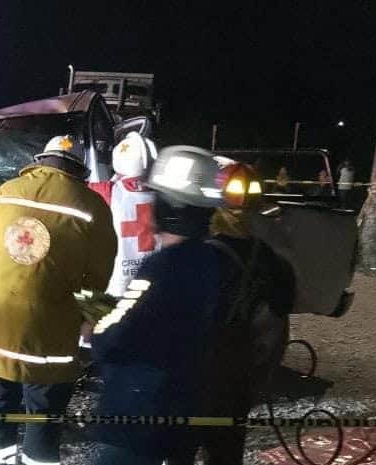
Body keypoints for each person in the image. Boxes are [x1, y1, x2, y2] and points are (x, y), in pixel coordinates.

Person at [88, 146, 241, 465]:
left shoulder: (161, 268)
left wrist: (94, 318)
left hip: (141, 413)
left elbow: (113, 337)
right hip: (187, 406)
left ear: (169, 207)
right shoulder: (216, 261)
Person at [0, 135, 117, 465]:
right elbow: (99, 275)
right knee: (44, 408)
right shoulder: (93, 206)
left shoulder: (4, 193)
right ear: (78, 168)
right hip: (51, 329)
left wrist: (9, 282)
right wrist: (92, 321)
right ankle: (39, 458)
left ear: (42, 160)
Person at [166, 163, 295, 465]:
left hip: (189, 373)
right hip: (236, 375)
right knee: (226, 451)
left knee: (178, 450)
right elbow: (281, 308)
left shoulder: (190, 251)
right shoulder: (267, 257)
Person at [89, 132, 161, 298]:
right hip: (155, 276)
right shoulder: (165, 193)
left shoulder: (107, 190)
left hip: (119, 282)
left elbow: (71, 187)